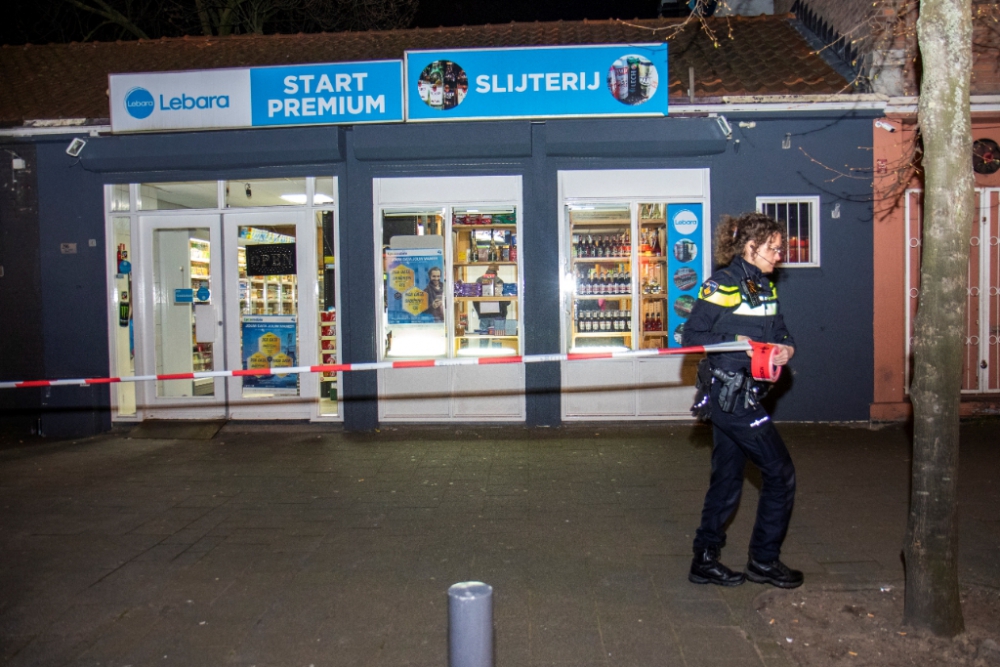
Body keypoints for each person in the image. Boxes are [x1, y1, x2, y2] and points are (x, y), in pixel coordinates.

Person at [681, 211, 802, 589]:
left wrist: (785, 350)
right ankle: (764, 561)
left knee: (728, 478)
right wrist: (742, 347)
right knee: (781, 475)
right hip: (728, 395)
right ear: (750, 247)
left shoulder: (765, 288)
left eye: (780, 249)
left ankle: (704, 560)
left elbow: (780, 331)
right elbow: (692, 336)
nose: (779, 255)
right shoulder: (723, 285)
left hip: (747, 392)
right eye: (774, 248)